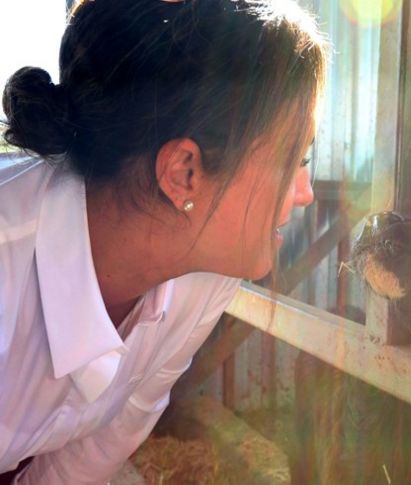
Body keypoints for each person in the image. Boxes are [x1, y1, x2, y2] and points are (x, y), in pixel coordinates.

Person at [0, 0, 327, 482]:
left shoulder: (206, 278)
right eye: (293, 160)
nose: (306, 194)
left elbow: (117, 426)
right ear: (184, 173)